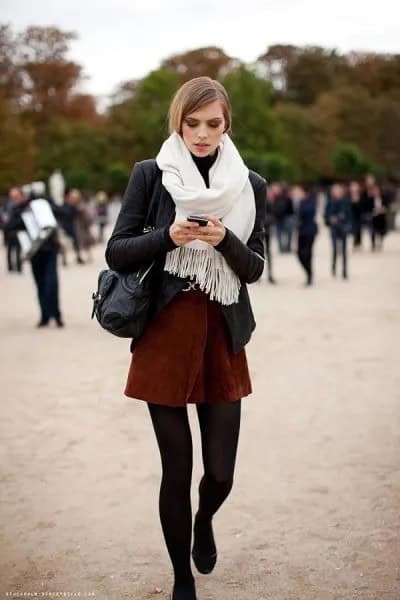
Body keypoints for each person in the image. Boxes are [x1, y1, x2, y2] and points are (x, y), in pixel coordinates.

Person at [105, 76, 266, 600]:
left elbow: (256, 268)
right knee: (177, 466)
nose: (202, 134)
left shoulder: (250, 185)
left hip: (221, 330)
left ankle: (206, 518)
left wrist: (225, 241)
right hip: (166, 331)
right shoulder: (150, 176)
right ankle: (180, 579)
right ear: (178, 121)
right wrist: (166, 236)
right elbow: (117, 251)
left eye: (213, 124)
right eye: (192, 123)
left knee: (219, 472)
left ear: (227, 125)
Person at [4, 182, 65, 327]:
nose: (16, 199)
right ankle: (44, 315)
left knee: (52, 283)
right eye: (13, 198)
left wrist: (47, 201)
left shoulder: (41, 203)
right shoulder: (16, 210)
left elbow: (61, 213)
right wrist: (21, 213)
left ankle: (56, 315)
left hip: (50, 249)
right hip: (34, 252)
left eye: (17, 196)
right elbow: (9, 226)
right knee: (40, 284)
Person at [324, 183, 352, 279]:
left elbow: (349, 215)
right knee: (335, 250)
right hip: (334, 228)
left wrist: (342, 219)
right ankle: (334, 268)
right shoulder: (330, 202)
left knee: (344, 251)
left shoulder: (346, 201)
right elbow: (326, 215)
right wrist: (329, 220)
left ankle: (344, 271)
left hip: (343, 227)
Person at [293, 184, 318, 286]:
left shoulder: (311, 201)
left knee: (307, 254)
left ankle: (309, 275)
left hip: (309, 231)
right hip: (301, 231)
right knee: (299, 253)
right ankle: (309, 273)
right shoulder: (299, 202)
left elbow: (308, 213)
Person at [4, 187, 25, 273]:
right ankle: (10, 267)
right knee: (10, 249)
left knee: (18, 249)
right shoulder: (8, 204)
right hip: (10, 230)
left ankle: (18, 267)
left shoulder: (20, 203)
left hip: (17, 229)